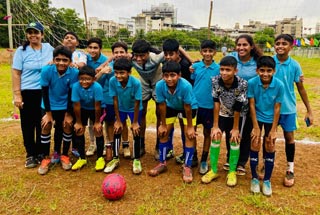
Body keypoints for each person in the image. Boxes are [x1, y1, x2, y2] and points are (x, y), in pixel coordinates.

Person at [273, 34, 313, 187]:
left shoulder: (295, 66)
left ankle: (290, 168)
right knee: (270, 137)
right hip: (271, 109)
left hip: (288, 109)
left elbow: (301, 89)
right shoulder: (270, 62)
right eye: (278, 43)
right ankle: (266, 163)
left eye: (284, 43)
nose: (280, 46)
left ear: (291, 46)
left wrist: (309, 110)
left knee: (289, 137)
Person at [12, 21, 54, 168]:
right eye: (30, 32)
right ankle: (30, 154)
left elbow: (62, 57)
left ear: (42, 34)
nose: (33, 35)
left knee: (42, 122)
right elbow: (16, 73)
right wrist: (17, 95)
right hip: (27, 92)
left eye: (36, 32)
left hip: (44, 92)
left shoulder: (49, 48)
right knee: (28, 124)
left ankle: (42, 153)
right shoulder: (21, 51)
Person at [148, 61, 198, 183]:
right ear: (163, 76)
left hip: (189, 109)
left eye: (172, 75)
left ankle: (187, 167)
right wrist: (163, 125)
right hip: (171, 107)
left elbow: (187, 106)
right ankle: (162, 163)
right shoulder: (160, 86)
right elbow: (162, 105)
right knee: (163, 134)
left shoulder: (185, 86)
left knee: (189, 136)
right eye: (166, 75)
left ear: (179, 75)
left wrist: (190, 127)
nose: (169, 79)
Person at [201, 56, 248, 187]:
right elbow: (216, 102)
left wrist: (235, 128)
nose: (224, 73)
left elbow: (239, 106)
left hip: (238, 115)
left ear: (235, 71)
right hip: (222, 112)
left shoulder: (242, 83)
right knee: (215, 136)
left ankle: (232, 171)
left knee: (234, 139)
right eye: (222, 69)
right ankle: (214, 170)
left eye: (228, 70)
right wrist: (215, 126)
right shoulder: (215, 80)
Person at [37, 45, 79, 175]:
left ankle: (63, 155)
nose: (61, 63)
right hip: (48, 105)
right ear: (54, 59)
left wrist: (68, 114)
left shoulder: (74, 72)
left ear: (70, 61)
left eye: (65, 60)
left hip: (65, 106)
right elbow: (44, 92)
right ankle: (45, 158)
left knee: (66, 126)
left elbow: (71, 93)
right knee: (46, 125)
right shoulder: (46, 70)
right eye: (58, 59)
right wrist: (48, 114)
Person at [248, 56, 284, 196]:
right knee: (255, 142)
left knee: (270, 144)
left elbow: (277, 107)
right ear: (257, 70)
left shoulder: (279, 85)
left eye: (269, 71)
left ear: (274, 71)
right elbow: (251, 104)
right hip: (256, 117)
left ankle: (267, 180)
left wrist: (274, 129)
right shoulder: (252, 83)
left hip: (271, 119)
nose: (265, 74)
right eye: (262, 70)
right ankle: (255, 179)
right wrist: (255, 127)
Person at [227, 34, 263, 176]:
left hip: (250, 103)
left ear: (251, 46)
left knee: (246, 133)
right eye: (239, 45)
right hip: (232, 103)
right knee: (231, 131)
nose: (241, 48)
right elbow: (220, 68)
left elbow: (270, 70)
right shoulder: (232, 57)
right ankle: (231, 159)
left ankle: (242, 162)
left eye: (245, 45)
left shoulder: (257, 62)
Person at [162, 38, 198, 167]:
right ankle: (168, 151)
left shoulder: (185, 65)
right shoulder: (167, 63)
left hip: (187, 102)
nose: (168, 57)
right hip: (174, 102)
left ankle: (192, 157)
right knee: (167, 128)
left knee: (187, 131)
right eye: (165, 54)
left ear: (178, 53)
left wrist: (192, 61)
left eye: (171, 54)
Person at [94, 41, 130, 162]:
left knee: (123, 122)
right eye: (116, 52)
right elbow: (95, 82)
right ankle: (109, 145)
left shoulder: (129, 64)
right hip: (108, 99)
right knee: (109, 123)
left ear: (126, 53)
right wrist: (102, 72)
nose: (119, 54)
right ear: (112, 54)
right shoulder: (108, 68)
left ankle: (125, 145)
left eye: (121, 52)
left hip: (123, 99)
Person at [106, 58, 143, 174]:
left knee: (136, 131)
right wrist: (118, 120)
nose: (118, 75)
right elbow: (115, 100)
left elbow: (137, 103)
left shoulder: (136, 83)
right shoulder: (112, 81)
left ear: (129, 72)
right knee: (117, 129)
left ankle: (136, 159)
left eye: (122, 73)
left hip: (134, 109)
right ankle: (115, 158)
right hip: (121, 108)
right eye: (116, 72)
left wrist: (135, 122)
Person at [190, 40, 220, 175]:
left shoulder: (219, 69)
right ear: (201, 52)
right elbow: (192, 80)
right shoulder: (195, 67)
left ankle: (204, 159)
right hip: (195, 106)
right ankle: (193, 156)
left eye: (210, 51)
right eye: (205, 51)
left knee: (207, 133)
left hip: (210, 107)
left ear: (215, 52)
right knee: (192, 132)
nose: (207, 54)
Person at [62, 31, 90, 159]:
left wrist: (73, 64)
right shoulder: (59, 53)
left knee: (75, 118)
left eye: (72, 38)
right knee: (62, 122)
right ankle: (62, 149)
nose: (68, 40)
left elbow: (82, 65)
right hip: (61, 90)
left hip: (76, 90)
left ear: (77, 42)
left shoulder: (80, 54)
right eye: (66, 38)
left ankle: (76, 147)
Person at [71, 66, 105, 171]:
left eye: (87, 79)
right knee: (79, 130)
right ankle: (82, 158)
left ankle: (100, 158)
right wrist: (78, 122)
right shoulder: (76, 87)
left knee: (97, 130)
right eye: (81, 79)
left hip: (96, 109)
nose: (84, 81)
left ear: (94, 79)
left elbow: (97, 106)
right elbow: (76, 105)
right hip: (82, 109)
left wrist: (97, 122)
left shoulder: (97, 87)